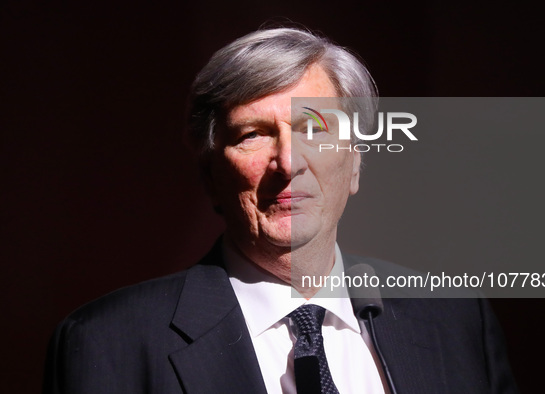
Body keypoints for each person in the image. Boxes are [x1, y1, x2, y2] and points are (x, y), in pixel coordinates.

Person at [43, 27, 519, 393]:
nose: (289, 162)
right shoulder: (107, 342)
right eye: (252, 134)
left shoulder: (454, 319)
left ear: (354, 163)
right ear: (210, 175)